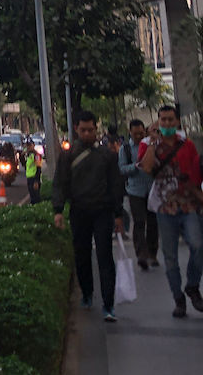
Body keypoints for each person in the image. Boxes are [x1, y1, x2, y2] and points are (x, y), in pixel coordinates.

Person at [52, 110, 125, 322]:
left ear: (96, 128)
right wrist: (58, 211)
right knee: (81, 255)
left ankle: (108, 304)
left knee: (105, 257)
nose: (86, 134)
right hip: (79, 211)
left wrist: (118, 215)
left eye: (90, 130)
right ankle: (86, 293)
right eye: (83, 130)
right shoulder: (68, 156)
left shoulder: (107, 156)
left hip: (103, 211)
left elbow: (115, 186)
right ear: (76, 129)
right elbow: (60, 184)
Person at [138, 106, 203, 318]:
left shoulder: (187, 145)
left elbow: (195, 175)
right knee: (170, 257)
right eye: (162, 120)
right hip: (165, 209)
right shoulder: (150, 147)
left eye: (170, 120)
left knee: (198, 245)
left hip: (188, 205)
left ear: (177, 122)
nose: (166, 124)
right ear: (157, 122)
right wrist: (152, 143)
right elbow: (147, 169)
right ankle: (178, 299)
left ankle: (192, 285)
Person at [119, 119, 157, 270]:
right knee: (139, 222)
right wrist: (135, 167)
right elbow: (122, 169)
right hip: (135, 191)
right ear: (130, 133)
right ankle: (141, 254)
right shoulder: (126, 149)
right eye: (135, 134)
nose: (138, 136)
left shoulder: (151, 145)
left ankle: (153, 253)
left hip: (153, 189)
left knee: (153, 223)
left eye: (141, 133)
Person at [24, 138, 43, 204]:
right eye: (27, 146)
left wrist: (36, 181)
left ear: (33, 145)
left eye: (29, 145)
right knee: (32, 197)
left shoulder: (36, 155)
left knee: (36, 198)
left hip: (34, 178)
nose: (28, 147)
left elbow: (38, 168)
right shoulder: (28, 155)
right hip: (29, 178)